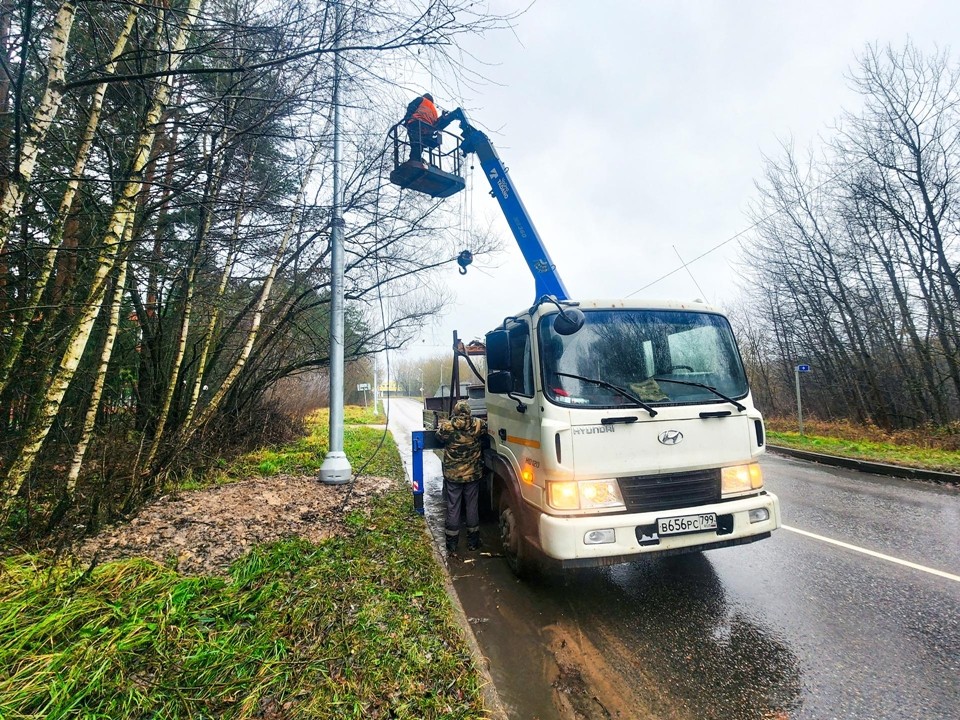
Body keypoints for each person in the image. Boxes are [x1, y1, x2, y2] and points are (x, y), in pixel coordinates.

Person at [435, 400, 487, 553]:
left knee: (453, 507)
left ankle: (452, 545)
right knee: (472, 506)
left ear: (456, 411)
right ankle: (473, 542)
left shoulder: (447, 426)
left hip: (453, 475)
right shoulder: (478, 424)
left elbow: (439, 438)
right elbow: (486, 431)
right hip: (472, 475)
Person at [402, 93, 440, 164]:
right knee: (420, 143)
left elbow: (411, 107)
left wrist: (406, 119)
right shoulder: (435, 110)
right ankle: (417, 158)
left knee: (415, 143)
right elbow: (435, 122)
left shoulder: (422, 99)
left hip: (416, 123)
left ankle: (414, 159)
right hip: (428, 129)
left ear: (425, 97)